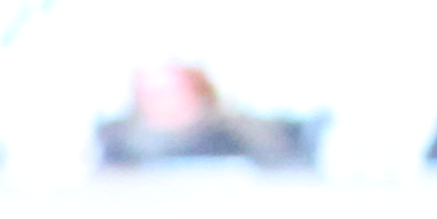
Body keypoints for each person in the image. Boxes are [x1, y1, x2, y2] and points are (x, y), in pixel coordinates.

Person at [95, 60, 312, 165]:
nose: (158, 101)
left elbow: (280, 169)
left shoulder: (235, 132)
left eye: (166, 92)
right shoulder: (120, 139)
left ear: (194, 90)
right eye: (148, 94)